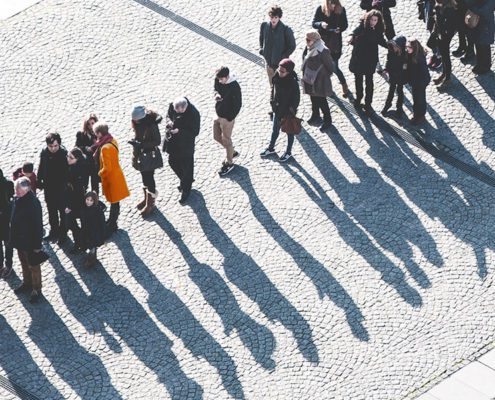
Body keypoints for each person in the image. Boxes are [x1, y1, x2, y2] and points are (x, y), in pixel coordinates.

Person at [91, 122, 130, 236]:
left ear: (99, 133)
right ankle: (112, 222)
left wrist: (99, 173)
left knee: (114, 202)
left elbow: (106, 168)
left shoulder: (104, 148)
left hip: (111, 178)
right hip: (117, 175)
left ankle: (112, 224)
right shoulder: (112, 141)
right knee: (115, 202)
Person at [9, 177, 44, 303]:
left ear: (26, 190)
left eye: (18, 189)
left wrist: (37, 245)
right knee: (23, 263)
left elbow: (38, 226)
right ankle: (27, 283)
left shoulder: (34, 204)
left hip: (30, 241)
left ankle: (36, 288)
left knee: (33, 266)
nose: (15, 191)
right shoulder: (17, 198)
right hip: (19, 240)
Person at [260, 58, 300, 162]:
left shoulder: (293, 83)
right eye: (279, 69)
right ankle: (271, 148)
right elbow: (273, 90)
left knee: (289, 133)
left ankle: (288, 152)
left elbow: (296, 99)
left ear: (289, 72)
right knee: (275, 131)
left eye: (283, 71)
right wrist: (272, 102)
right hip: (277, 110)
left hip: (287, 113)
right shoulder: (276, 76)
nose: (280, 72)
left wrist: (290, 111)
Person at [349, 10, 388, 116]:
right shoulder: (363, 26)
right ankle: (358, 98)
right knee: (358, 80)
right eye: (371, 19)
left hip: (370, 60)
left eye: (375, 20)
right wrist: (351, 36)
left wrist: (391, 46)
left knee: (369, 83)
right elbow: (355, 31)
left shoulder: (378, 30)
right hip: (359, 58)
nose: (373, 22)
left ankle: (368, 104)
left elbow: (381, 41)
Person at [164, 97, 201, 204]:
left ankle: (186, 189)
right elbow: (168, 115)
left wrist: (179, 131)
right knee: (172, 162)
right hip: (173, 143)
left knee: (187, 167)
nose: (178, 112)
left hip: (186, 145)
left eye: (181, 111)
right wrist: (170, 122)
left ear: (185, 107)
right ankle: (186, 180)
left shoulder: (194, 113)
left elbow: (195, 132)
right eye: (177, 111)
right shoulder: (173, 105)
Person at [130, 106, 163, 216]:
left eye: (135, 119)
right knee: (144, 177)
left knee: (149, 178)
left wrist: (142, 145)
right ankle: (147, 199)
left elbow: (157, 141)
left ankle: (151, 204)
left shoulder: (151, 125)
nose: (134, 121)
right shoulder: (138, 123)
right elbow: (139, 135)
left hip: (150, 155)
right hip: (141, 155)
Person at [312, 0, 350, 97]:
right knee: (322, 68)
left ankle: (344, 84)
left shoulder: (341, 10)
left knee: (334, 67)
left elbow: (345, 24)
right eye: (330, 3)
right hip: (322, 43)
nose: (333, 6)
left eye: (334, 3)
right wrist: (321, 24)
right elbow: (314, 23)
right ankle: (327, 88)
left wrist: (339, 29)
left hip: (334, 44)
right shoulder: (321, 9)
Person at [37, 132, 69, 244]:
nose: (53, 148)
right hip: (49, 188)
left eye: (55, 146)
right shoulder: (44, 152)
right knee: (51, 211)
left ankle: (63, 234)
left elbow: (67, 173)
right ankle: (54, 231)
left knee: (62, 211)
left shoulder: (64, 154)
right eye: (51, 146)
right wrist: (39, 179)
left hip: (61, 188)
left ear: (59, 144)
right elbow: (41, 166)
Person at [259, 5, 296, 91]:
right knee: (272, 85)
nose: (273, 20)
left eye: (275, 17)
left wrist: (283, 56)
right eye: (272, 17)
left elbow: (292, 46)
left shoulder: (285, 30)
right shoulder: (264, 26)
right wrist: (262, 49)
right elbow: (261, 38)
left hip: (280, 66)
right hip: (269, 63)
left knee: (282, 87)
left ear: (279, 17)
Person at [302, 31, 334, 129]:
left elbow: (330, 66)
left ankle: (327, 120)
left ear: (315, 40)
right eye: (306, 39)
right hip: (311, 77)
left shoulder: (323, 50)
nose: (306, 42)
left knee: (322, 100)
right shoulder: (308, 48)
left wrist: (324, 75)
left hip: (320, 79)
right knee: (313, 98)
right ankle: (315, 115)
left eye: (308, 40)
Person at [213, 66, 242, 176]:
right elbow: (215, 87)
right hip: (218, 113)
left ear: (227, 77)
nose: (219, 81)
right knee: (216, 136)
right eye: (218, 79)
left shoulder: (234, 86)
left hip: (227, 118)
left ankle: (229, 163)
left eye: (221, 79)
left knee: (227, 140)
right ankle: (232, 152)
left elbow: (238, 104)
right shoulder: (218, 79)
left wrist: (230, 118)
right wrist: (216, 94)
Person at [431, 0, 461, 89]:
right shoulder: (441, 6)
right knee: (443, 55)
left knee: (445, 56)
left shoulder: (449, 9)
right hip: (441, 34)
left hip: (444, 35)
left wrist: (443, 34)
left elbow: (450, 25)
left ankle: (447, 78)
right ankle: (444, 74)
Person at [65, 148, 89, 253]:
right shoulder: (72, 167)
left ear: (77, 159)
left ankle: (80, 243)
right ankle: (80, 242)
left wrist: (70, 207)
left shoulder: (77, 172)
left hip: (77, 203)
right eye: (68, 156)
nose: (68, 159)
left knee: (72, 223)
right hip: (72, 200)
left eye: (71, 157)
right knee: (72, 223)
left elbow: (77, 193)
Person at [465, 0, 495, 74]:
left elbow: (486, 9)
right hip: (477, 23)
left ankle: (486, 66)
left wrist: (472, 8)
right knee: (478, 44)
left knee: (484, 46)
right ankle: (479, 64)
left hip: (486, 23)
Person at [382, 35, 408, 118]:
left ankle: (399, 108)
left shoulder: (405, 55)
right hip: (393, 74)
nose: (393, 47)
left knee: (400, 91)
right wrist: (386, 69)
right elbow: (388, 60)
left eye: (395, 46)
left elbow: (406, 67)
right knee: (391, 91)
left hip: (401, 76)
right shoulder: (391, 51)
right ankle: (387, 105)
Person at [406, 39, 431, 124]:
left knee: (420, 100)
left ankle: (421, 116)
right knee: (416, 99)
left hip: (420, 82)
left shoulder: (419, 59)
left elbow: (424, 73)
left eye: (409, 47)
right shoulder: (411, 55)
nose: (407, 48)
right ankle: (416, 114)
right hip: (415, 81)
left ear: (414, 48)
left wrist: (421, 83)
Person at [80, 191, 106, 269]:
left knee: (93, 246)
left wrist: (102, 233)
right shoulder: (84, 208)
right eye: (87, 199)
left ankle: (91, 260)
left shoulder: (97, 210)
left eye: (91, 200)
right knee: (89, 244)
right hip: (86, 230)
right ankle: (92, 257)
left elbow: (102, 222)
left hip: (94, 232)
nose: (88, 202)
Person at [75, 113, 99, 193]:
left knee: (95, 185)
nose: (91, 126)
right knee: (84, 184)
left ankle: (95, 201)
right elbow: (76, 147)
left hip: (95, 164)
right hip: (85, 164)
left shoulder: (99, 134)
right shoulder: (81, 134)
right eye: (88, 124)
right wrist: (85, 148)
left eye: (92, 123)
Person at [0, 169, 14, 278]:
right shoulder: (8, 184)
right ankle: (3, 265)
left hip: (5, 219)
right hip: (4, 218)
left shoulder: (7, 184)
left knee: (8, 243)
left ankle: (8, 265)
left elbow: (10, 202)